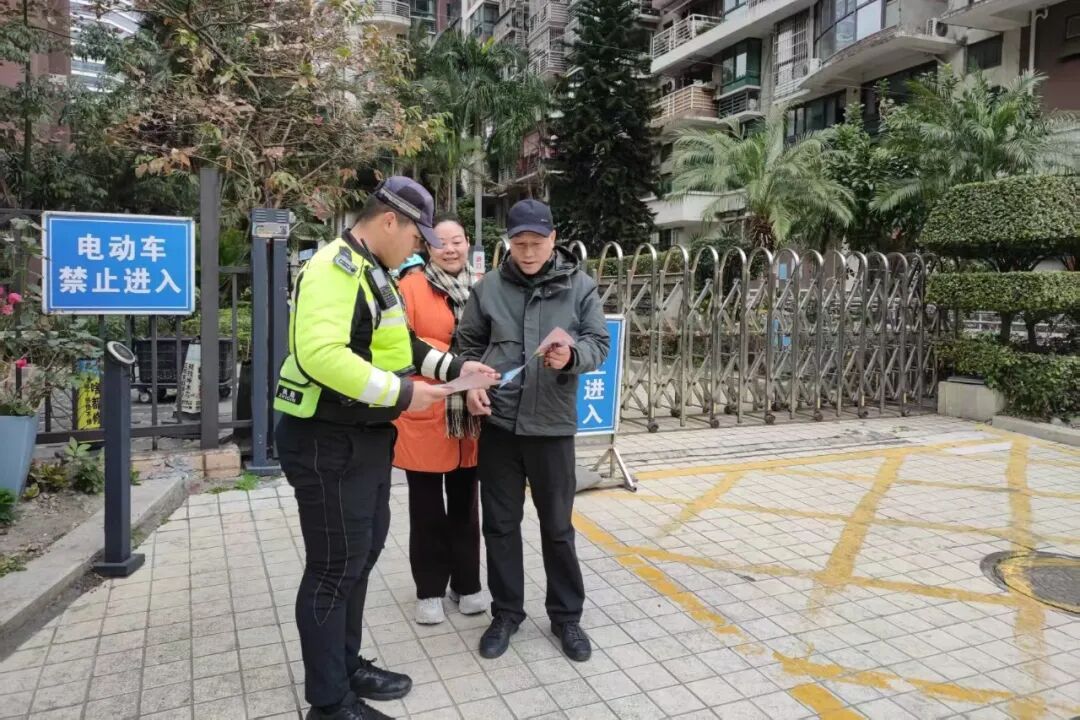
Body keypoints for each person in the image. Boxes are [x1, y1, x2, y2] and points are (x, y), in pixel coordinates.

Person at [273, 177, 496, 720]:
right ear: (390, 221)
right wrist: (404, 394)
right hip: (327, 440)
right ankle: (329, 703)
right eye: (417, 236)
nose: (421, 246)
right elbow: (320, 355)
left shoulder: (375, 272)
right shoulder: (334, 268)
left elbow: (402, 345)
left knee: (361, 555)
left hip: (365, 438)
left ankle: (345, 667)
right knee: (334, 569)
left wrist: (456, 368)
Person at [456, 199, 610, 663]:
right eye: (518, 243)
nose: (526, 252)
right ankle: (506, 613)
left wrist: (573, 356)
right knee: (500, 526)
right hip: (500, 426)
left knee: (557, 527)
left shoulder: (580, 287)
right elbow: (466, 345)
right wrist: (470, 385)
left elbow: (598, 342)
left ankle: (566, 617)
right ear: (508, 242)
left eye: (536, 243)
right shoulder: (488, 289)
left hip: (552, 426)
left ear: (553, 239)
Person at [393, 215, 486, 625]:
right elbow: (401, 345)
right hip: (427, 411)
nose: (450, 249)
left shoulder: (484, 286)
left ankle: (466, 584)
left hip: (470, 414)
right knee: (426, 507)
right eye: (441, 242)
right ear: (427, 247)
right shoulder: (409, 287)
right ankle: (429, 589)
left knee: (466, 504)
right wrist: (453, 358)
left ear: (468, 243)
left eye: (458, 241)